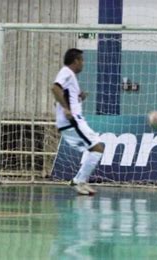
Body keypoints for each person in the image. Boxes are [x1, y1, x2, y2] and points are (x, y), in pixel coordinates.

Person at [51, 48, 104, 195]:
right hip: (72, 121)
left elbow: (66, 94)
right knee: (97, 147)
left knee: (94, 147)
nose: (83, 63)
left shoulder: (71, 76)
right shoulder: (66, 72)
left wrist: (79, 97)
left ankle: (79, 180)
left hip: (74, 121)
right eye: (82, 60)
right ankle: (79, 181)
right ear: (76, 61)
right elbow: (55, 88)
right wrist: (67, 109)